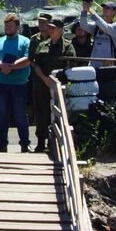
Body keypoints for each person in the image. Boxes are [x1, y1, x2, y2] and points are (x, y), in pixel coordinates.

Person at [0, 13, 32, 153]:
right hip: (1, 84)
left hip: (20, 84)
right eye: (6, 25)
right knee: (2, 114)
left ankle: (25, 144)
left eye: (11, 26)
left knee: (20, 115)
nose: (8, 28)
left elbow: (28, 58)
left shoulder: (25, 41)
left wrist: (11, 67)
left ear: (17, 27)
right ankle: (2, 144)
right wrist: (2, 66)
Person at [30, 17, 75, 153]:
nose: (50, 30)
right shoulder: (42, 45)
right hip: (41, 85)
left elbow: (70, 66)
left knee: (57, 113)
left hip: (58, 87)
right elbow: (35, 63)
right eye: (49, 27)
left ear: (60, 30)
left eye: (53, 28)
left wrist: (56, 81)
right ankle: (40, 141)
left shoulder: (67, 46)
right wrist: (45, 79)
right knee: (40, 112)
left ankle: (54, 142)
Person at [80, 0, 116, 67]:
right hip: (93, 65)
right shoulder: (97, 26)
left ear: (114, 12)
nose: (104, 9)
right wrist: (84, 10)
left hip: (107, 66)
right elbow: (83, 25)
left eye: (107, 8)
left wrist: (90, 10)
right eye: (104, 7)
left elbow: (105, 27)